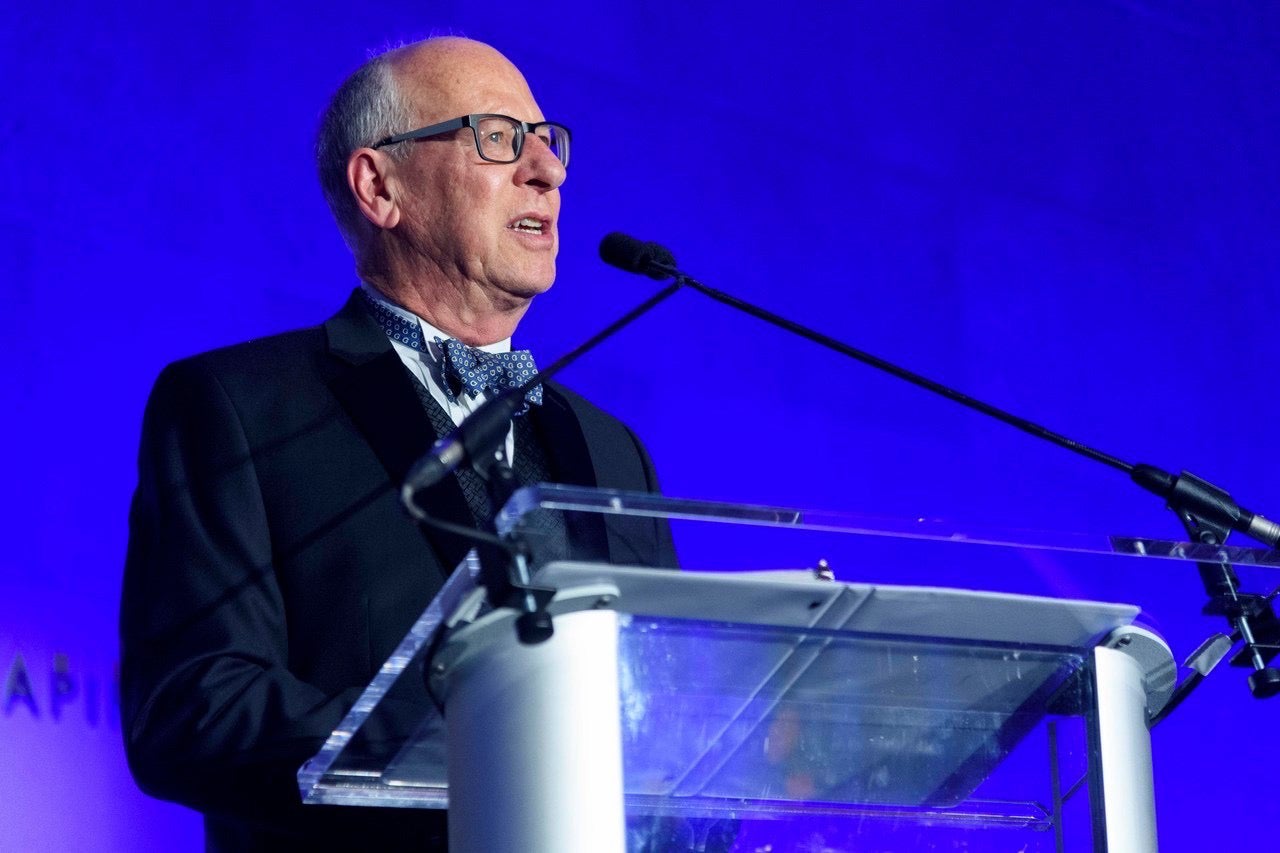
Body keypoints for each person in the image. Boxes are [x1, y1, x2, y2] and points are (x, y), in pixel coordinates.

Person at [120, 37, 676, 850]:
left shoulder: (613, 446)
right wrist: (490, 754)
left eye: (548, 141)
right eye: (495, 136)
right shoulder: (238, 406)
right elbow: (196, 705)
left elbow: (672, 718)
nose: (546, 172)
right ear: (380, 187)